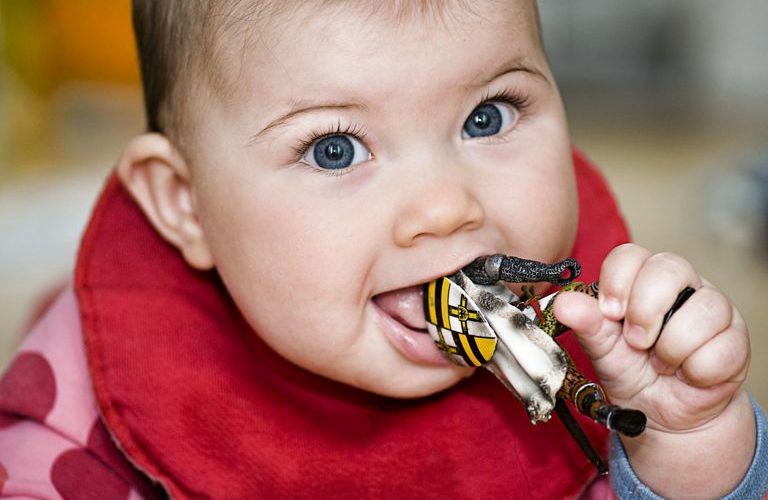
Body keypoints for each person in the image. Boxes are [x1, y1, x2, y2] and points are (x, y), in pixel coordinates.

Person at [0, 1, 765, 498]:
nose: (443, 209)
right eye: (335, 150)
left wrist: (690, 444)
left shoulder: (607, 351)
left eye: (488, 116)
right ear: (185, 204)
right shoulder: (93, 402)